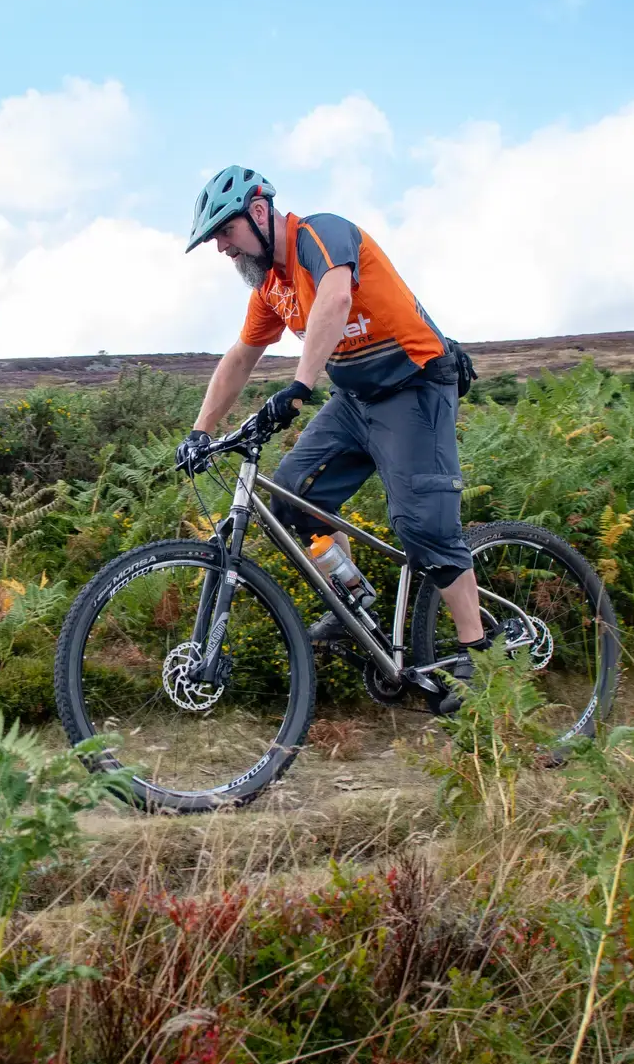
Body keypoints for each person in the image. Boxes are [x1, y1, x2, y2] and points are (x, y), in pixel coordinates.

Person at [175, 164, 489, 713]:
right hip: (357, 399)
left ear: (257, 212)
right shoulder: (269, 288)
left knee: (421, 523)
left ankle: (478, 652)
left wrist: (299, 386)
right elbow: (241, 357)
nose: (222, 248)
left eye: (224, 232)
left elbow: (335, 300)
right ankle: (355, 607)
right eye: (214, 240)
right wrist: (201, 432)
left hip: (415, 380)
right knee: (295, 496)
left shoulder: (321, 233)